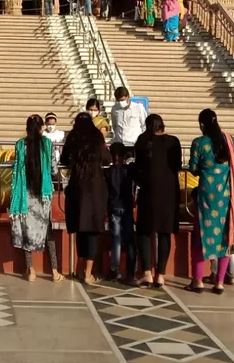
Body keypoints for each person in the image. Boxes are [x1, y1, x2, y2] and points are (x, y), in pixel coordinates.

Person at [186, 108, 234, 294]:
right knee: (225, 239)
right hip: (226, 198)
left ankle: (197, 281)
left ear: (201, 124)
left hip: (206, 197)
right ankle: (219, 283)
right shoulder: (230, 141)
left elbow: (193, 169)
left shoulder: (199, 143)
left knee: (200, 238)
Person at [8, 114, 62, 281]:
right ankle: (54, 272)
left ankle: (30, 270)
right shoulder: (46, 143)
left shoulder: (19, 145)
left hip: (25, 194)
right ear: (41, 128)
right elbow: (53, 169)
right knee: (47, 231)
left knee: (26, 231)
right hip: (43, 194)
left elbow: (16, 168)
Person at [61, 112, 110, 284]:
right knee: (92, 230)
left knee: (80, 228)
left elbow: (63, 158)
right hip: (95, 186)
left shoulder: (73, 136)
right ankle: (88, 273)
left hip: (77, 186)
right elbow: (106, 158)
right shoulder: (97, 136)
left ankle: (81, 270)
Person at [134, 115, 182, 288]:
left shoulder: (142, 141)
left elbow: (137, 166)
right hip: (169, 191)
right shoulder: (173, 141)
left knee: (144, 231)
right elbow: (177, 164)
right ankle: (160, 275)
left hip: (148, 190)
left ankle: (147, 273)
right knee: (165, 231)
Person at [103, 141, 135, 282]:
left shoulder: (108, 171)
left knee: (115, 238)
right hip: (127, 205)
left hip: (113, 205)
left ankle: (115, 269)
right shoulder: (129, 170)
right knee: (129, 238)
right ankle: (131, 270)